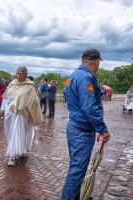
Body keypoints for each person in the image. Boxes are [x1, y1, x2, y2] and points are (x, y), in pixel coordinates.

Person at [61, 49, 110, 200]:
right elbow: (90, 107)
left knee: (76, 166)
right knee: (77, 169)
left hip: (74, 126)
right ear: (96, 62)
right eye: (99, 63)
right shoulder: (86, 77)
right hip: (82, 131)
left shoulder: (73, 75)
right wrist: (102, 128)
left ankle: (74, 195)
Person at [0, 66, 43, 166]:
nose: (18, 76)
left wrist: (30, 109)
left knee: (17, 132)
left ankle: (12, 156)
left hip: (21, 114)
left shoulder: (30, 86)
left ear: (25, 75)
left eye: (21, 74)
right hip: (9, 113)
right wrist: (2, 108)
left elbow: (34, 101)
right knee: (10, 132)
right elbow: (6, 97)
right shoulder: (12, 84)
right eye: (17, 73)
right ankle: (18, 149)